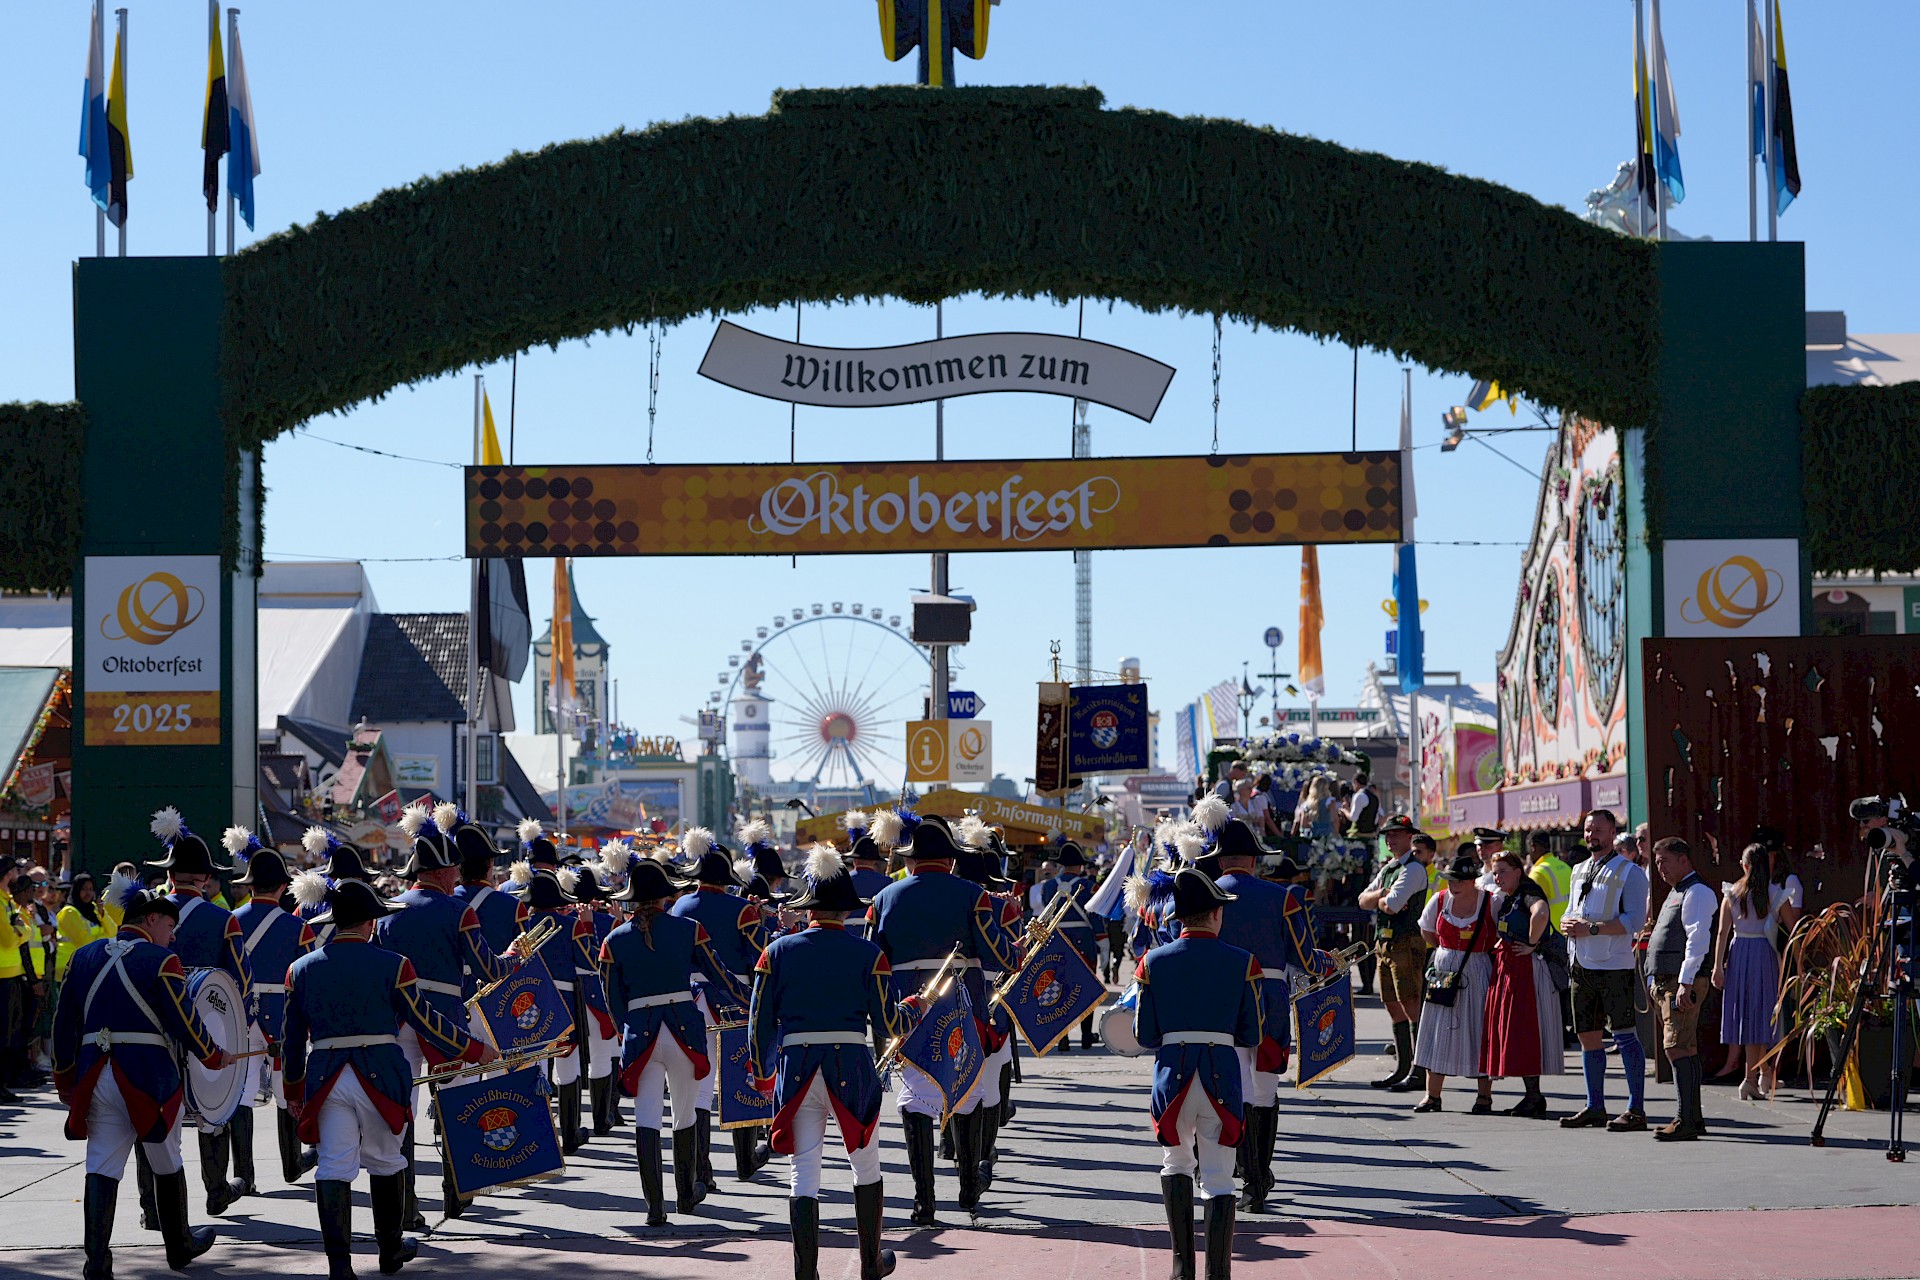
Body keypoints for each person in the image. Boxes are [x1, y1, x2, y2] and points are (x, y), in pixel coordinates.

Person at [283, 878, 498, 1279]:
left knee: (333, 1166)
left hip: (327, 1076)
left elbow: (292, 1042)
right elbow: (426, 1020)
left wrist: (293, 1091)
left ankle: (340, 1265)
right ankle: (389, 1250)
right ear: (370, 923)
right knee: (385, 1160)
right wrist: (471, 1048)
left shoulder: (300, 970)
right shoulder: (394, 965)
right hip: (379, 1074)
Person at [749, 843, 918, 1280]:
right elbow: (889, 1024)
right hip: (851, 1066)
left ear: (809, 908)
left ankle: (806, 1272)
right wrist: (915, 1008)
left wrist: (764, 1076)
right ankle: (869, 1264)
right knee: (866, 1166)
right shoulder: (869, 955)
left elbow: (759, 1023)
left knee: (803, 1173)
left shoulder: (776, 952)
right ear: (846, 910)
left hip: (796, 1066)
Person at [54, 874, 228, 1278]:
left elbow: (63, 1026)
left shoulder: (83, 957)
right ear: (151, 919)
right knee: (166, 1158)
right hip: (148, 1078)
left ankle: (97, 1262)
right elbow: (185, 1021)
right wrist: (213, 1055)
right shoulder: (161, 962)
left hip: (96, 1075)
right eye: (169, 925)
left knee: (101, 1162)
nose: (172, 935)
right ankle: (179, 1246)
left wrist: (65, 1080)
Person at [376, 806, 523, 1223]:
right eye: (453, 867)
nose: (458, 873)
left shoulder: (388, 909)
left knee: (402, 1113)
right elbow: (488, 969)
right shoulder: (459, 912)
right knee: (458, 1106)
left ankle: (406, 1206)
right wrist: (514, 957)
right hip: (444, 1020)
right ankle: (455, 1193)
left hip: (397, 1018)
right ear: (441, 871)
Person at [866, 816, 1017, 1223]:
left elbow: (872, 961)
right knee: (965, 1089)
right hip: (962, 1005)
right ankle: (968, 1187)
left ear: (911, 860)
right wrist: (1018, 951)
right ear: (950, 860)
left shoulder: (883, 898)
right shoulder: (972, 894)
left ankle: (924, 1200)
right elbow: (998, 953)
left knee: (914, 1097)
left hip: (907, 1008)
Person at [1200, 817, 1335, 1213]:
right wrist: (1327, 963)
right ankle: (1258, 1183)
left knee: (1233, 1088)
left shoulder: (1207, 895)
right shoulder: (1283, 897)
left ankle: (1244, 1175)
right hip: (1268, 1003)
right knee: (1264, 1091)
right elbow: (1305, 958)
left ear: (1220, 861)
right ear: (1255, 860)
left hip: (1222, 1001)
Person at [1134, 868, 1263, 1280]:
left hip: (1172, 1075)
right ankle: (1218, 1274)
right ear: (1215, 914)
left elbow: (1144, 1034)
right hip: (1221, 1073)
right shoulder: (1243, 962)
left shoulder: (1152, 962)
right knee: (1220, 1177)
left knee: (1175, 1163)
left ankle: (1181, 1269)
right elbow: (1251, 1033)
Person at [146, 808, 255, 1217]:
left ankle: (151, 1206)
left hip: (154, 1023)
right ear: (206, 878)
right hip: (206, 1026)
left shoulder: (148, 913)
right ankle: (215, 1191)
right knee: (212, 1109)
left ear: (169, 874)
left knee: (153, 1114)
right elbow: (241, 981)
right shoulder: (222, 919)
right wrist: (235, 1028)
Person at [666, 831, 773, 1182]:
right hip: (732, 999)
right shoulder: (741, 910)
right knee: (740, 1078)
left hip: (690, 999)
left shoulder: (680, 906)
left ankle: (702, 1169)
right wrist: (763, 919)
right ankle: (745, 1160)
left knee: (700, 1086)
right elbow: (761, 954)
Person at [510, 827, 616, 1156]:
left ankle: (539, 1133)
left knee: (535, 1065)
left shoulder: (521, 926)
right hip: (564, 1001)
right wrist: (587, 927)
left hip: (527, 999)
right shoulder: (570, 925)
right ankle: (570, 1134)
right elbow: (589, 962)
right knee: (568, 1066)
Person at [228, 831, 321, 1190]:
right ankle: (292, 1164)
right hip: (282, 1018)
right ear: (284, 887)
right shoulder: (298, 928)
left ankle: (244, 1175)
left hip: (241, 1016)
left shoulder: (231, 921)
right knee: (286, 1092)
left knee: (242, 1093)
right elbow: (306, 980)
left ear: (249, 886)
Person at [1557, 808, 1651, 1133]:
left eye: (1597, 830)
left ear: (1613, 832)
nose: (1591, 835)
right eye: (1587, 829)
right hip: (1580, 963)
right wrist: (1566, 923)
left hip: (1613, 965)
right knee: (1587, 1036)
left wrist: (1592, 929)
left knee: (1624, 1034)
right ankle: (1594, 1105)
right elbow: (1571, 910)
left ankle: (1636, 1108)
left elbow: (1634, 921)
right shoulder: (1579, 869)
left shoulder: (1630, 872)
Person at [954, 817, 1027, 1191]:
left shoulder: (949, 903)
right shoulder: (1002, 906)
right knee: (991, 1087)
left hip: (950, 998)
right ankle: (982, 1158)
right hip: (992, 1003)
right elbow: (1015, 958)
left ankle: (953, 1146)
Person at [1411, 853, 1495, 1113]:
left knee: (1479, 1028)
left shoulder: (1491, 901)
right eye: (1451, 879)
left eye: (1459, 880)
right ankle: (1432, 1096)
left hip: (1478, 967)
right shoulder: (1439, 900)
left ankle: (1484, 1096)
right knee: (1438, 1027)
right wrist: (1445, 951)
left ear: (1472, 881)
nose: (1453, 885)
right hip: (1443, 969)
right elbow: (1426, 930)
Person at [1647, 837, 1718, 1141]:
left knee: (1675, 1047)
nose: (1660, 868)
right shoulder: (1678, 890)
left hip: (1681, 982)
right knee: (1685, 1047)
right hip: (1669, 982)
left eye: (1664, 861)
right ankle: (1692, 1119)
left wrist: (1685, 982)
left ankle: (1684, 1119)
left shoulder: (1696, 891)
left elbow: (1697, 939)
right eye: (1657, 862)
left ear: (1683, 860)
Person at [1482, 851, 1563, 1116]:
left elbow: (1541, 913)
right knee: (1517, 1030)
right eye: (1495, 873)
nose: (1497, 877)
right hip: (1510, 967)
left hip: (1524, 969)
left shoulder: (1528, 892)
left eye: (1503, 872)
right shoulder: (1511, 895)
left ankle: (1534, 1096)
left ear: (1518, 871)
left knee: (1525, 1028)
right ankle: (1532, 1095)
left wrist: (1531, 943)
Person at [1357, 815, 1432, 1091]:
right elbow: (1362, 900)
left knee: (1410, 1003)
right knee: (1391, 1003)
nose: (1390, 839)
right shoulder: (1390, 868)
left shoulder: (1413, 869)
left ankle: (1418, 1070)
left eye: (1396, 834)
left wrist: (1381, 898)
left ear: (1410, 837)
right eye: (1388, 835)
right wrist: (1383, 896)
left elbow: (1393, 905)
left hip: (1405, 942)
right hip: (1386, 943)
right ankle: (1403, 1066)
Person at [1712, 842, 1781, 1100]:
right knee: (1760, 1014)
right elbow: (1795, 930)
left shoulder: (1732, 892)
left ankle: (1762, 1074)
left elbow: (1722, 932)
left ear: (1744, 865)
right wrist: (1797, 964)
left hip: (1739, 952)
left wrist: (1717, 966)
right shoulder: (1775, 893)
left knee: (1748, 1015)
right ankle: (1753, 1078)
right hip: (1764, 953)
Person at [1036, 841, 1101, 1050]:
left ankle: (1062, 1038)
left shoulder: (1048, 886)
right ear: (1080, 865)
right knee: (1086, 988)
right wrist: (1103, 940)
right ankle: (1085, 1036)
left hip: (1057, 940)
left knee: (1058, 989)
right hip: (1083, 941)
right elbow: (1095, 916)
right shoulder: (1089, 886)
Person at [1524, 833, 1572, 930]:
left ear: (1533, 847)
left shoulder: (1538, 873)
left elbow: (1536, 911)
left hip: (1551, 932)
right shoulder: (1565, 866)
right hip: (1569, 929)